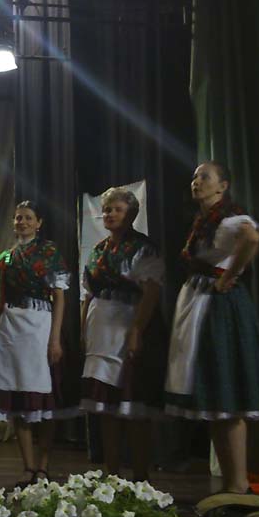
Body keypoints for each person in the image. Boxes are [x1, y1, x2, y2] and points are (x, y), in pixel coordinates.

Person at [164, 161, 259, 494]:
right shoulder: (205, 220)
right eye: (194, 177)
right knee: (215, 399)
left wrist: (228, 276)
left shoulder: (229, 217)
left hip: (220, 307)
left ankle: (238, 483)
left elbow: (252, 238)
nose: (196, 182)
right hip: (200, 303)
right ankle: (231, 484)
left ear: (222, 186)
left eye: (204, 177)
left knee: (227, 394)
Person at [79, 188, 167, 481]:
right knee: (105, 407)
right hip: (100, 328)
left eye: (116, 209)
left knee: (133, 405)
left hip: (128, 323)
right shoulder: (98, 249)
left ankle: (141, 477)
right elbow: (88, 294)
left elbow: (151, 291)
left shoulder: (144, 248)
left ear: (131, 214)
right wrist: (83, 330)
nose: (110, 214)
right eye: (106, 209)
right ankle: (112, 475)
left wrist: (137, 331)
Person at [0, 201, 74, 486]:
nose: (22, 222)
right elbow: (0, 298)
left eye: (27, 218)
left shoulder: (49, 253)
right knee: (17, 396)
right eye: (18, 218)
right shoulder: (5, 257)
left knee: (42, 398)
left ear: (39, 223)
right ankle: (27, 465)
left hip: (39, 324)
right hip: (10, 327)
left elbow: (59, 297)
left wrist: (55, 338)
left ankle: (43, 464)